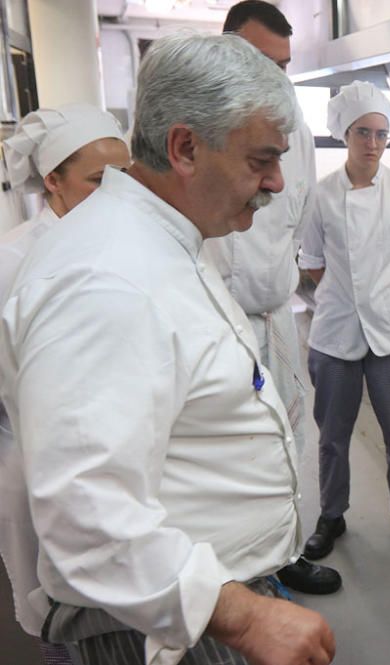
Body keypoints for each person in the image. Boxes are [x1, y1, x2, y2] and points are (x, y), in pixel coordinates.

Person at [0, 33, 334, 665]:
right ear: (185, 147)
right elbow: (86, 511)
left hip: (194, 592)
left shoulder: (163, 238)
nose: (277, 181)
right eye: (261, 158)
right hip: (161, 621)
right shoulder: (105, 279)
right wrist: (237, 615)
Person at [200, 0, 341, 596]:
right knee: (220, 451)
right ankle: (223, 578)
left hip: (276, 317)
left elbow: (296, 218)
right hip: (211, 317)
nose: (275, 79)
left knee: (286, 441)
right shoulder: (194, 125)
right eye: (263, 62)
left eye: (284, 66)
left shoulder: (297, 135)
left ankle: (284, 554)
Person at [0, 104, 129, 665]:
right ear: (52, 180)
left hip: (119, 460)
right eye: (100, 181)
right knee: (59, 612)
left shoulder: (122, 242)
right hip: (41, 466)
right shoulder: (14, 259)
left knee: (120, 612)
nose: (118, 194)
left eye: (126, 179)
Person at [298, 81, 390, 563]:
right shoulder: (321, 194)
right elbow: (312, 259)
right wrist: (348, 293)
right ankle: (331, 515)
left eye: (382, 134)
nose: (374, 144)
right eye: (364, 133)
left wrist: (387, 292)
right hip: (336, 333)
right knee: (332, 436)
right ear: (344, 134)